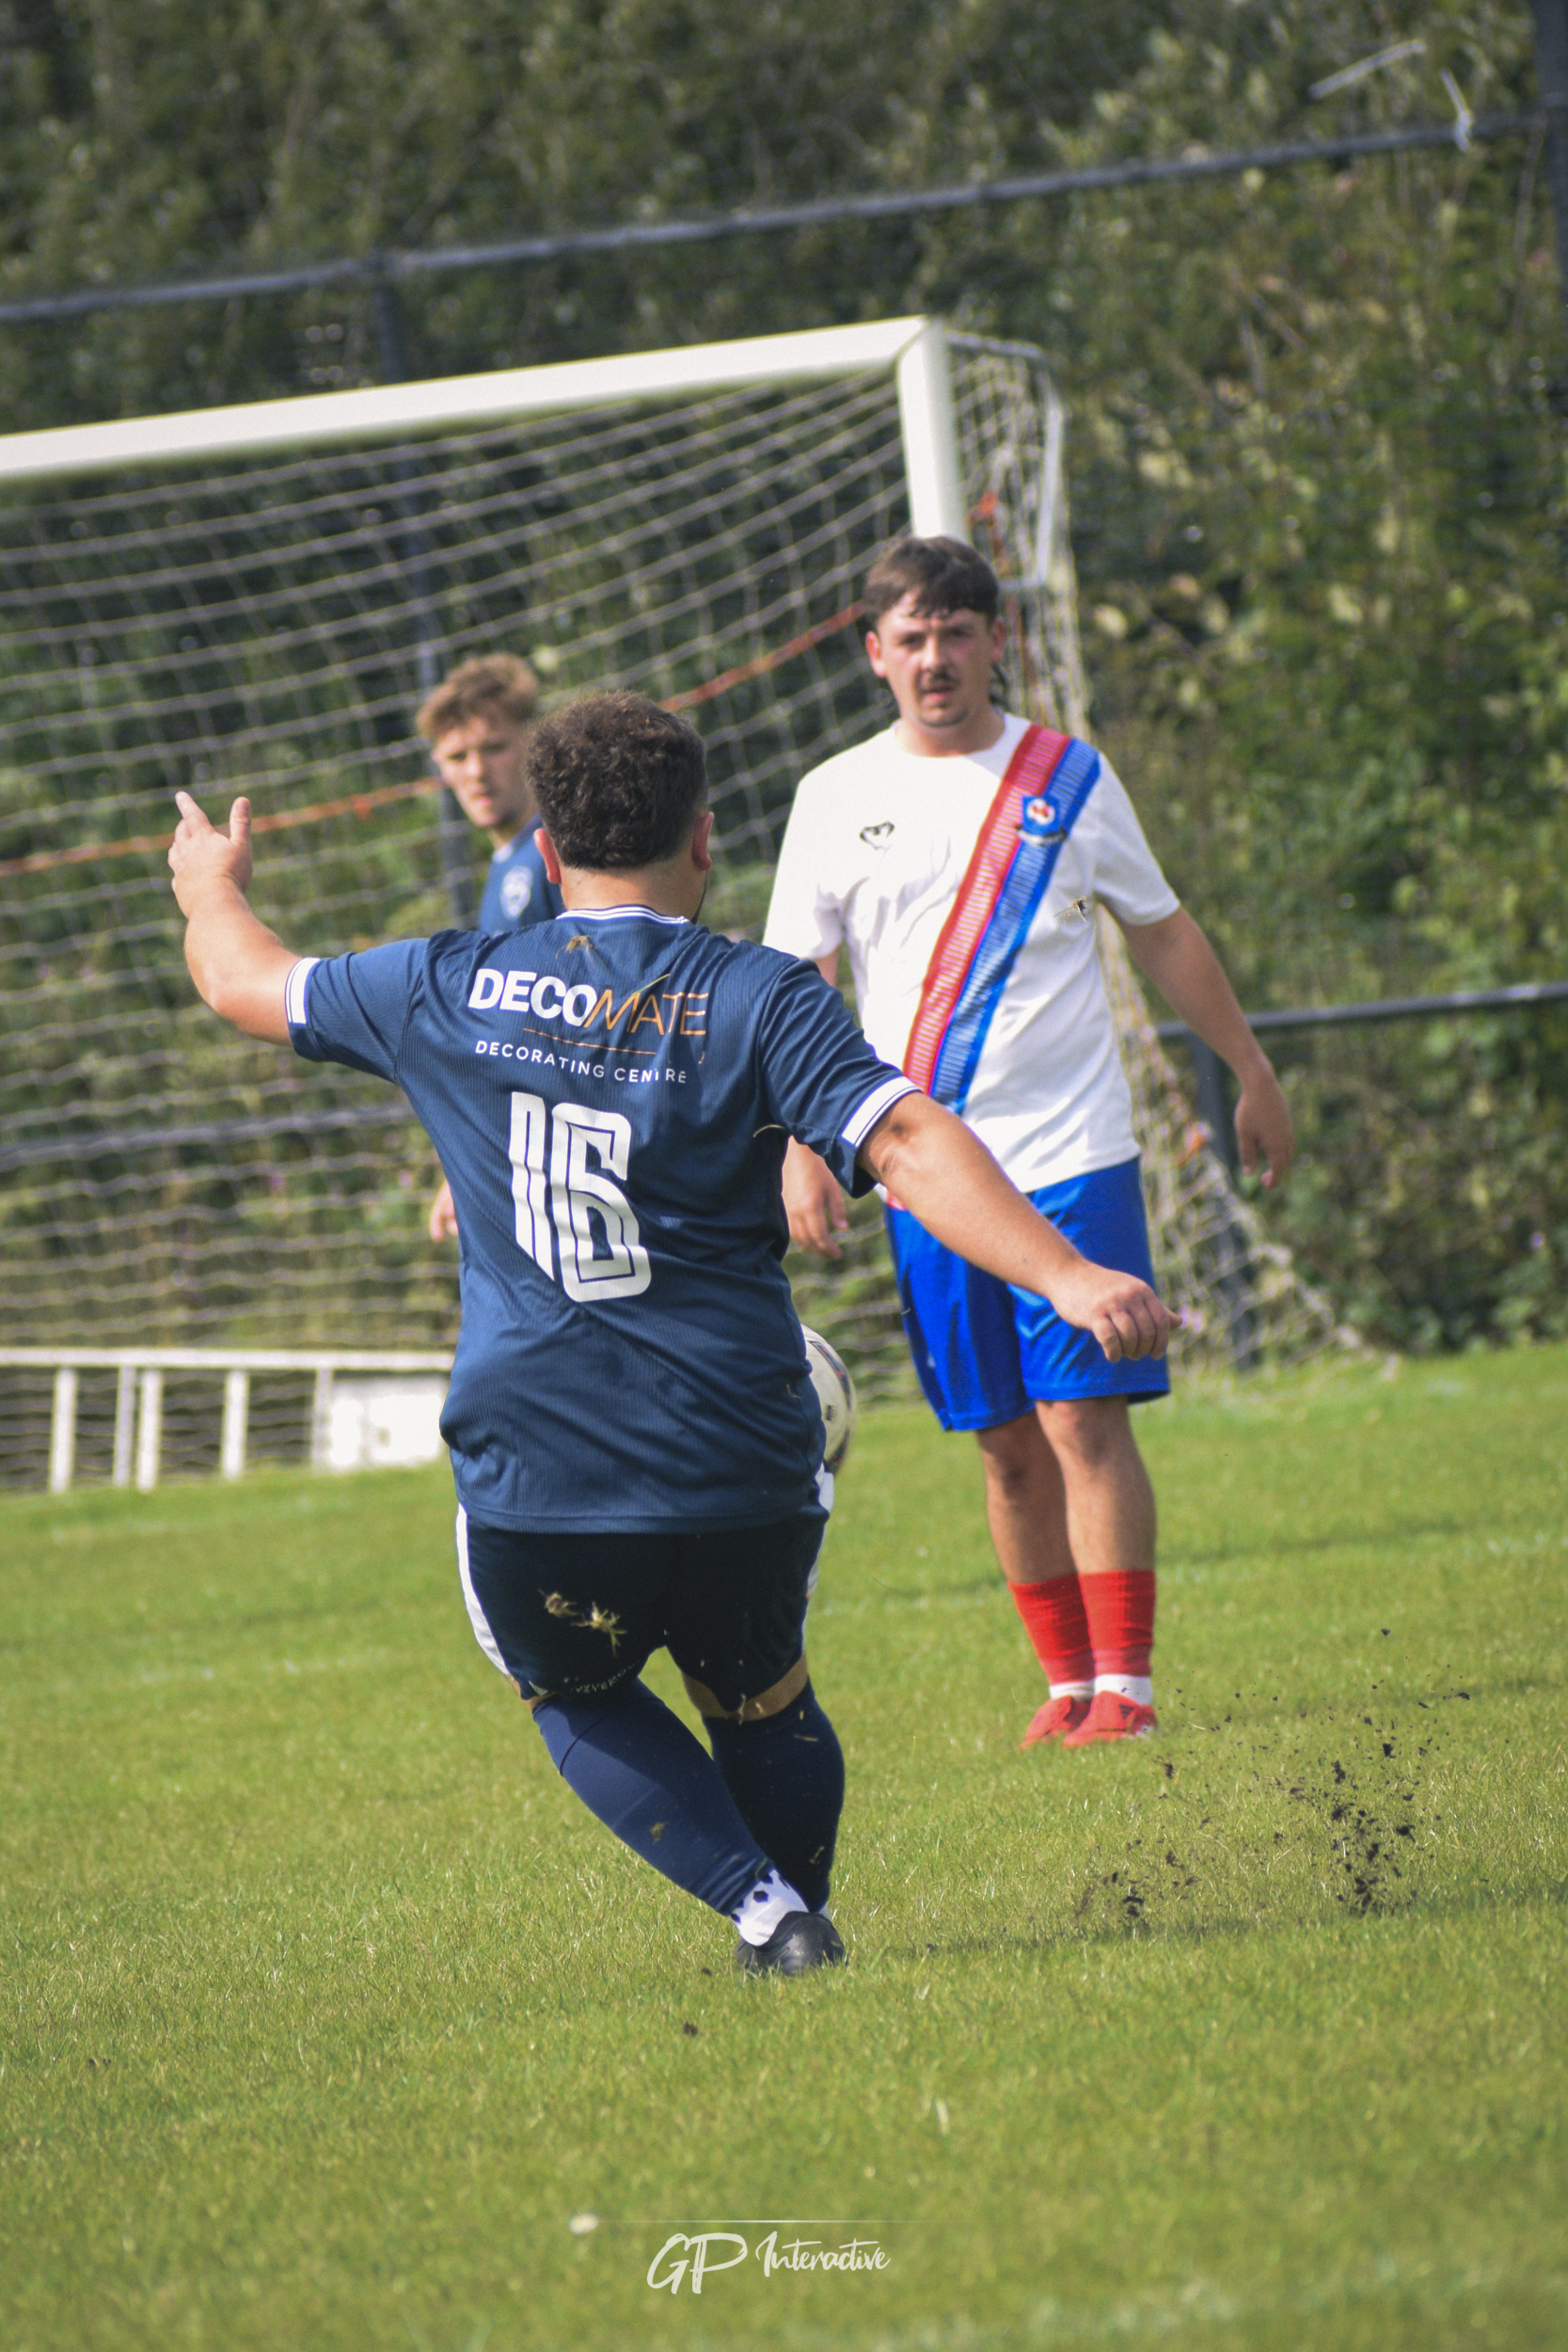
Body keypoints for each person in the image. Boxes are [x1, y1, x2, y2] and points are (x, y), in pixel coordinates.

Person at [168, 691, 1177, 1975]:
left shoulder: (442, 982)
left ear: (543, 851)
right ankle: (792, 1916)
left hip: (542, 1466)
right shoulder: (759, 997)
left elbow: (237, 978)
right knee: (760, 1689)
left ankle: (767, 1914)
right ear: (704, 840)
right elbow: (909, 1141)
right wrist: (1066, 1276)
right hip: (745, 1455)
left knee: (576, 1689)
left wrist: (210, 881)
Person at [764, 536, 1293, 1750]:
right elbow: (793, 985)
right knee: (1003, 1446)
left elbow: (1161, 932)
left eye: (958, 631)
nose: (936, 657)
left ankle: (1129, 1688)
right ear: (873, 655)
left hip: (1074, 1154)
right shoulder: (832, 797)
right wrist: (802, 1145)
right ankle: (1064, 1686)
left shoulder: (1066, 776)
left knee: (1083, 1423)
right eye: (911, 637)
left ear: (996, 642)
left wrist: (1248, 1068)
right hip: (927, 1175)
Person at [416, 653, 563, 1241]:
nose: (476, 771)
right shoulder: (507, 870)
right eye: (457, 757)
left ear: (532, 744)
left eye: (494, 748)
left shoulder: (557, 857)